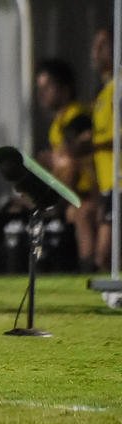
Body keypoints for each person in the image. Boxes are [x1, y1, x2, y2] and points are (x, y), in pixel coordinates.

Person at [34, 58, 98, 271]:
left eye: (48, 87)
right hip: (75, 192)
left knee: (79, 214)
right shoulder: (59, 121)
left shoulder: (77, 116)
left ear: (65, 88)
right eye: (40, 88)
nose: (42, 94)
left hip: (88, 191)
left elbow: (73, 159)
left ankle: (88, 267)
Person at [91, 25, 117, 271]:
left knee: (104, 256)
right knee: (105, 257)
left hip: (120, 183)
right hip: (109, 183)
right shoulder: (104, 92)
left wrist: (89, 145)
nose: (95, 52)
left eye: (102, 46)